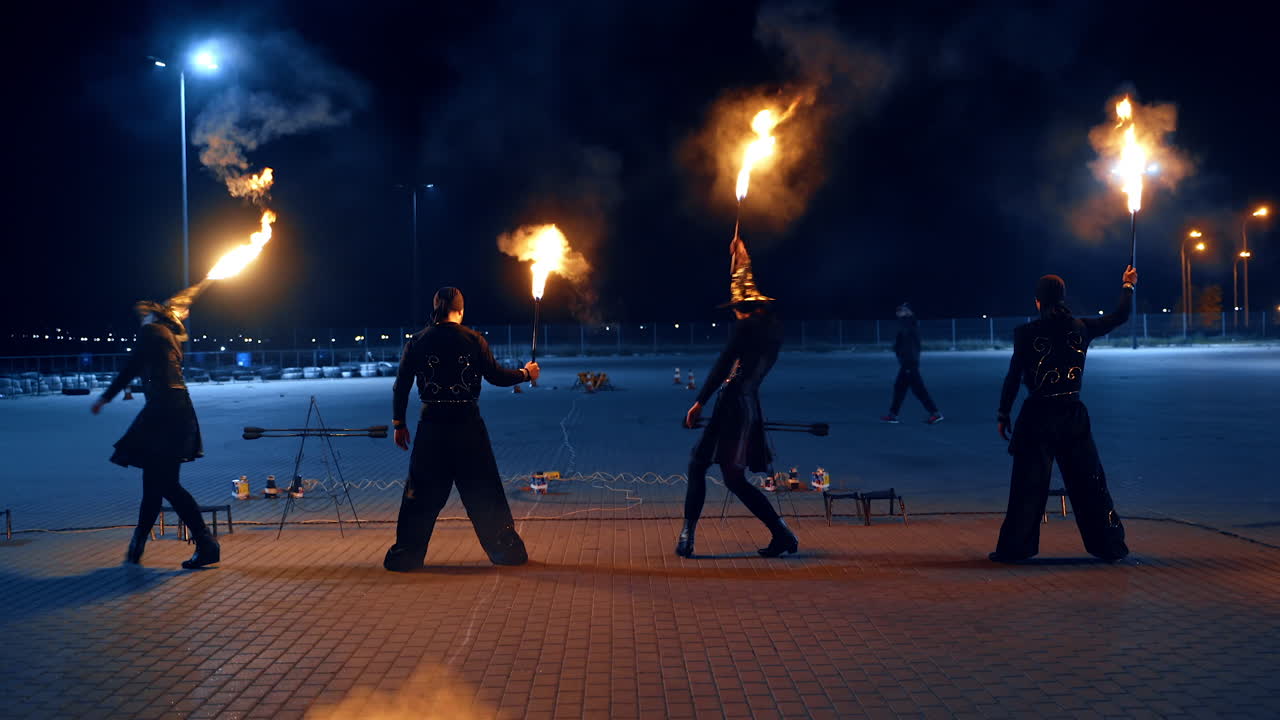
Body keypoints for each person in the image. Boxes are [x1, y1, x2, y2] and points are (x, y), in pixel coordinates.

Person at [383, 287, 540, 572]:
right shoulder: (473, 340)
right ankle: (506, 551)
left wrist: (398, 423)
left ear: (436, 309)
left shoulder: (417, 341)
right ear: (461, 310)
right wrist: (525, 373)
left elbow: (401, 386)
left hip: (431, 429)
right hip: (468, 428)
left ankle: (405, 556)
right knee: (484, 490)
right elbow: (495, 376)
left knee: (420, 494)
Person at [989, 265, 1137, 563]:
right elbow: (1120, 316)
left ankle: (1016, 548)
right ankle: (1109, 546)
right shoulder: (1081, 327)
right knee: (1090, 482)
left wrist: (1003, 413)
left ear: (1038, 301)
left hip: (1038, 415)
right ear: (1063, 298)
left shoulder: (1026, 333)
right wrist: (1127, 285)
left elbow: (1013, 377)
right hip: (1072, 413)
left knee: (1028, 485)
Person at [679, 234, 797, 559]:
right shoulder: (774, 330)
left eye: (736, 307)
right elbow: (745, 284)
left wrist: (699, 401)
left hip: (731, 405)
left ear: (745, 307)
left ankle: (687, 535)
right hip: (748, 408)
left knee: (698, 464)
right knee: (732, 478)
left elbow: (722, 366)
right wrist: (740, 259)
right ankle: (782, 533)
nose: (734, 312)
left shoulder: (747, 329)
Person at [92, 299, 220, 569]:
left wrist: (105, 397)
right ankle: (137, 544)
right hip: (173, 408)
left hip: (165, 411)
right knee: (154, 485)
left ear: (152, 316)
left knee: (166, 485)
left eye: (143, 315)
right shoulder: (169, 336)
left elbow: (132, 366)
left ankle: (206, 542)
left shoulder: (152, 332)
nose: (140, 320)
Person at [880, 303, 943, 424]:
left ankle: (935, 413)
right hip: (907, 362)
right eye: (898, 309)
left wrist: (908, 362)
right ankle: (893, 415)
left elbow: (911, 346)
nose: (898, 312)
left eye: (901, 310)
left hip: (909, 363)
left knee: (919, 390)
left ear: (909, 311)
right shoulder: (906, 324)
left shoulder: (909, 324)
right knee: (899, 388)